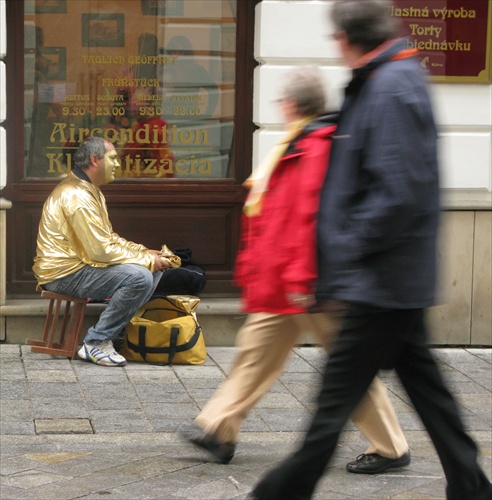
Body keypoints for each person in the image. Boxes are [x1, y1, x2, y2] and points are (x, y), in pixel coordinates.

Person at [250, 2, 492, 499]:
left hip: (378, 280)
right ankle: (470, 485)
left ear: (345, 39)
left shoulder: (390, 87)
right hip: (391, 280)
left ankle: (278, 493)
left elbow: (395, 193)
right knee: (431, 397)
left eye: (335, 39)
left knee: (331, 407)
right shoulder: (388, 80)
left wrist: (344, 252)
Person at [180, 66, 410, 473]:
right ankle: (219, 428)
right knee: (255, 355)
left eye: (280, 102)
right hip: (285, 282)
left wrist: (302, 280)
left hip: (311, 285)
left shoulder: (316, 146)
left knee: (349, 365)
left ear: (290, 105)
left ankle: (391, 447)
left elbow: (308, 218)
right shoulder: (298, 143)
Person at [33, 137, 172, 367]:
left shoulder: (89, 189)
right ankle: (96, 342)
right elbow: (99, 252)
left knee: (150, 271)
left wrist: (144, 253)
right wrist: (146, 259)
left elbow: (107, 239)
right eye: (114, 158)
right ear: (95, 160)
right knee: (140, 277)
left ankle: (111, 333)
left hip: (80, 266)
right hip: (63, 275)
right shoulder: (76, 196)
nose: (119, 164)